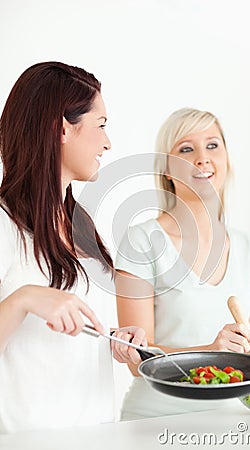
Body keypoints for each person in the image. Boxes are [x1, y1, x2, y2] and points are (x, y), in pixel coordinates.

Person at [114, 107, 250, 420]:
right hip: (157, 421)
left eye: (212, 145)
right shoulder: (142, 241)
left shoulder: (244, 246)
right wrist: (210, 352)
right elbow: (137, 361)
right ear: (167, 169)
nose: (203, 158)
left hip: (235, 421)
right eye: (186, 149)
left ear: (226, 158)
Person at [0, 61, 146, 433]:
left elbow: (72, 334)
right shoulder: (4, 224)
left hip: (96, 434)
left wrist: (116, 339)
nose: (108, 142)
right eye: (101, 125)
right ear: (61, 129)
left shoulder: (79, 224)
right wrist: (22, 300)